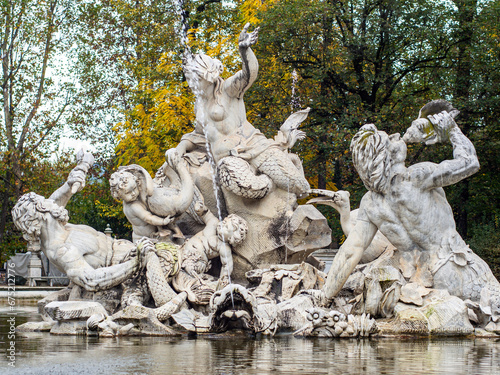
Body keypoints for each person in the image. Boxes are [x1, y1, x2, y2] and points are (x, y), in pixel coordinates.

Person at [318, 110, 499, 305]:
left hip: (419, 286)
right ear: (387, 155)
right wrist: (452, 130)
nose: (397, 135)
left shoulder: (370, 203)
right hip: (459, 270)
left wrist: (325, 297)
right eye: (390, 138)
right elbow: (470, 162)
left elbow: (349, 253)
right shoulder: (416, 177)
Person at [166, 23, 310, 198]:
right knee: (242, 185)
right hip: (227, 160)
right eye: (189, 80)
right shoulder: (199, 104)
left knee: (299, 187)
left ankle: (279, 176)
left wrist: (245, 51)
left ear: (208, 76)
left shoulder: (228, 89)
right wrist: (180, 147)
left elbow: (249, 74)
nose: (191, 85)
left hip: (254, 148)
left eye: (195, 79)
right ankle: (266, 190)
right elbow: (199, 136)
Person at [12, 163, 142, 292]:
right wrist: (136, 262)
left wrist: (70, 182)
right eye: (44, 201)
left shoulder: (60, 227)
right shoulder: (61, 251)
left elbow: (58, 198)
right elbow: (92, 280)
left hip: (129, 250)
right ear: (41, 215)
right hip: (127, 268)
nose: (50, 201)